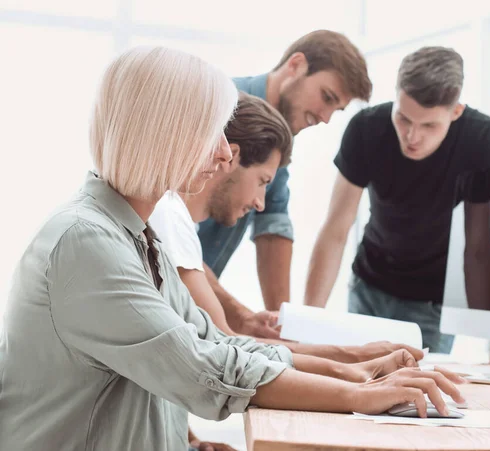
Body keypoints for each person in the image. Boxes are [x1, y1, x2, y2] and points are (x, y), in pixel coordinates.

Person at [0, 47, 464, 451]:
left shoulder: (137, 237)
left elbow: (219, 342)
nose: (225, 154)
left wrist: (354, 370)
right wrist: (359, 393)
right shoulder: (86, 243)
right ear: (164, 133)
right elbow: (202, 367)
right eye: (214, 133)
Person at [150, 92, 423, 364]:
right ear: (230, 157)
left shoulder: (173, 217)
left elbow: (225, 339)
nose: (260, 203)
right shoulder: (169, 214)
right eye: (262, 181)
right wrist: (356, 357)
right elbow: (224, 345)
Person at [304, 46, 490, 357]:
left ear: (455, 112)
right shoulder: (366, 128)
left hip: (433, 303)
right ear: (397, 96)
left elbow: (483, 244)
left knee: (419, 399)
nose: (412, 136)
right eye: (403, 118)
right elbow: (336, 228)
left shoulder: (481, 139)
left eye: (429, 126)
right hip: (368, 288)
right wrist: (308, 325)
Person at [196, 30, 372, 339]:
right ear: (296, 65)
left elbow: (273, 228)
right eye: (327, 98)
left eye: (337, 110)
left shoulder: (279, 140)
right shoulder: (218, 110)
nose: (326, 118)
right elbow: (170, 242)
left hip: (196, 304)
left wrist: (287, 330)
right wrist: (243, 319)